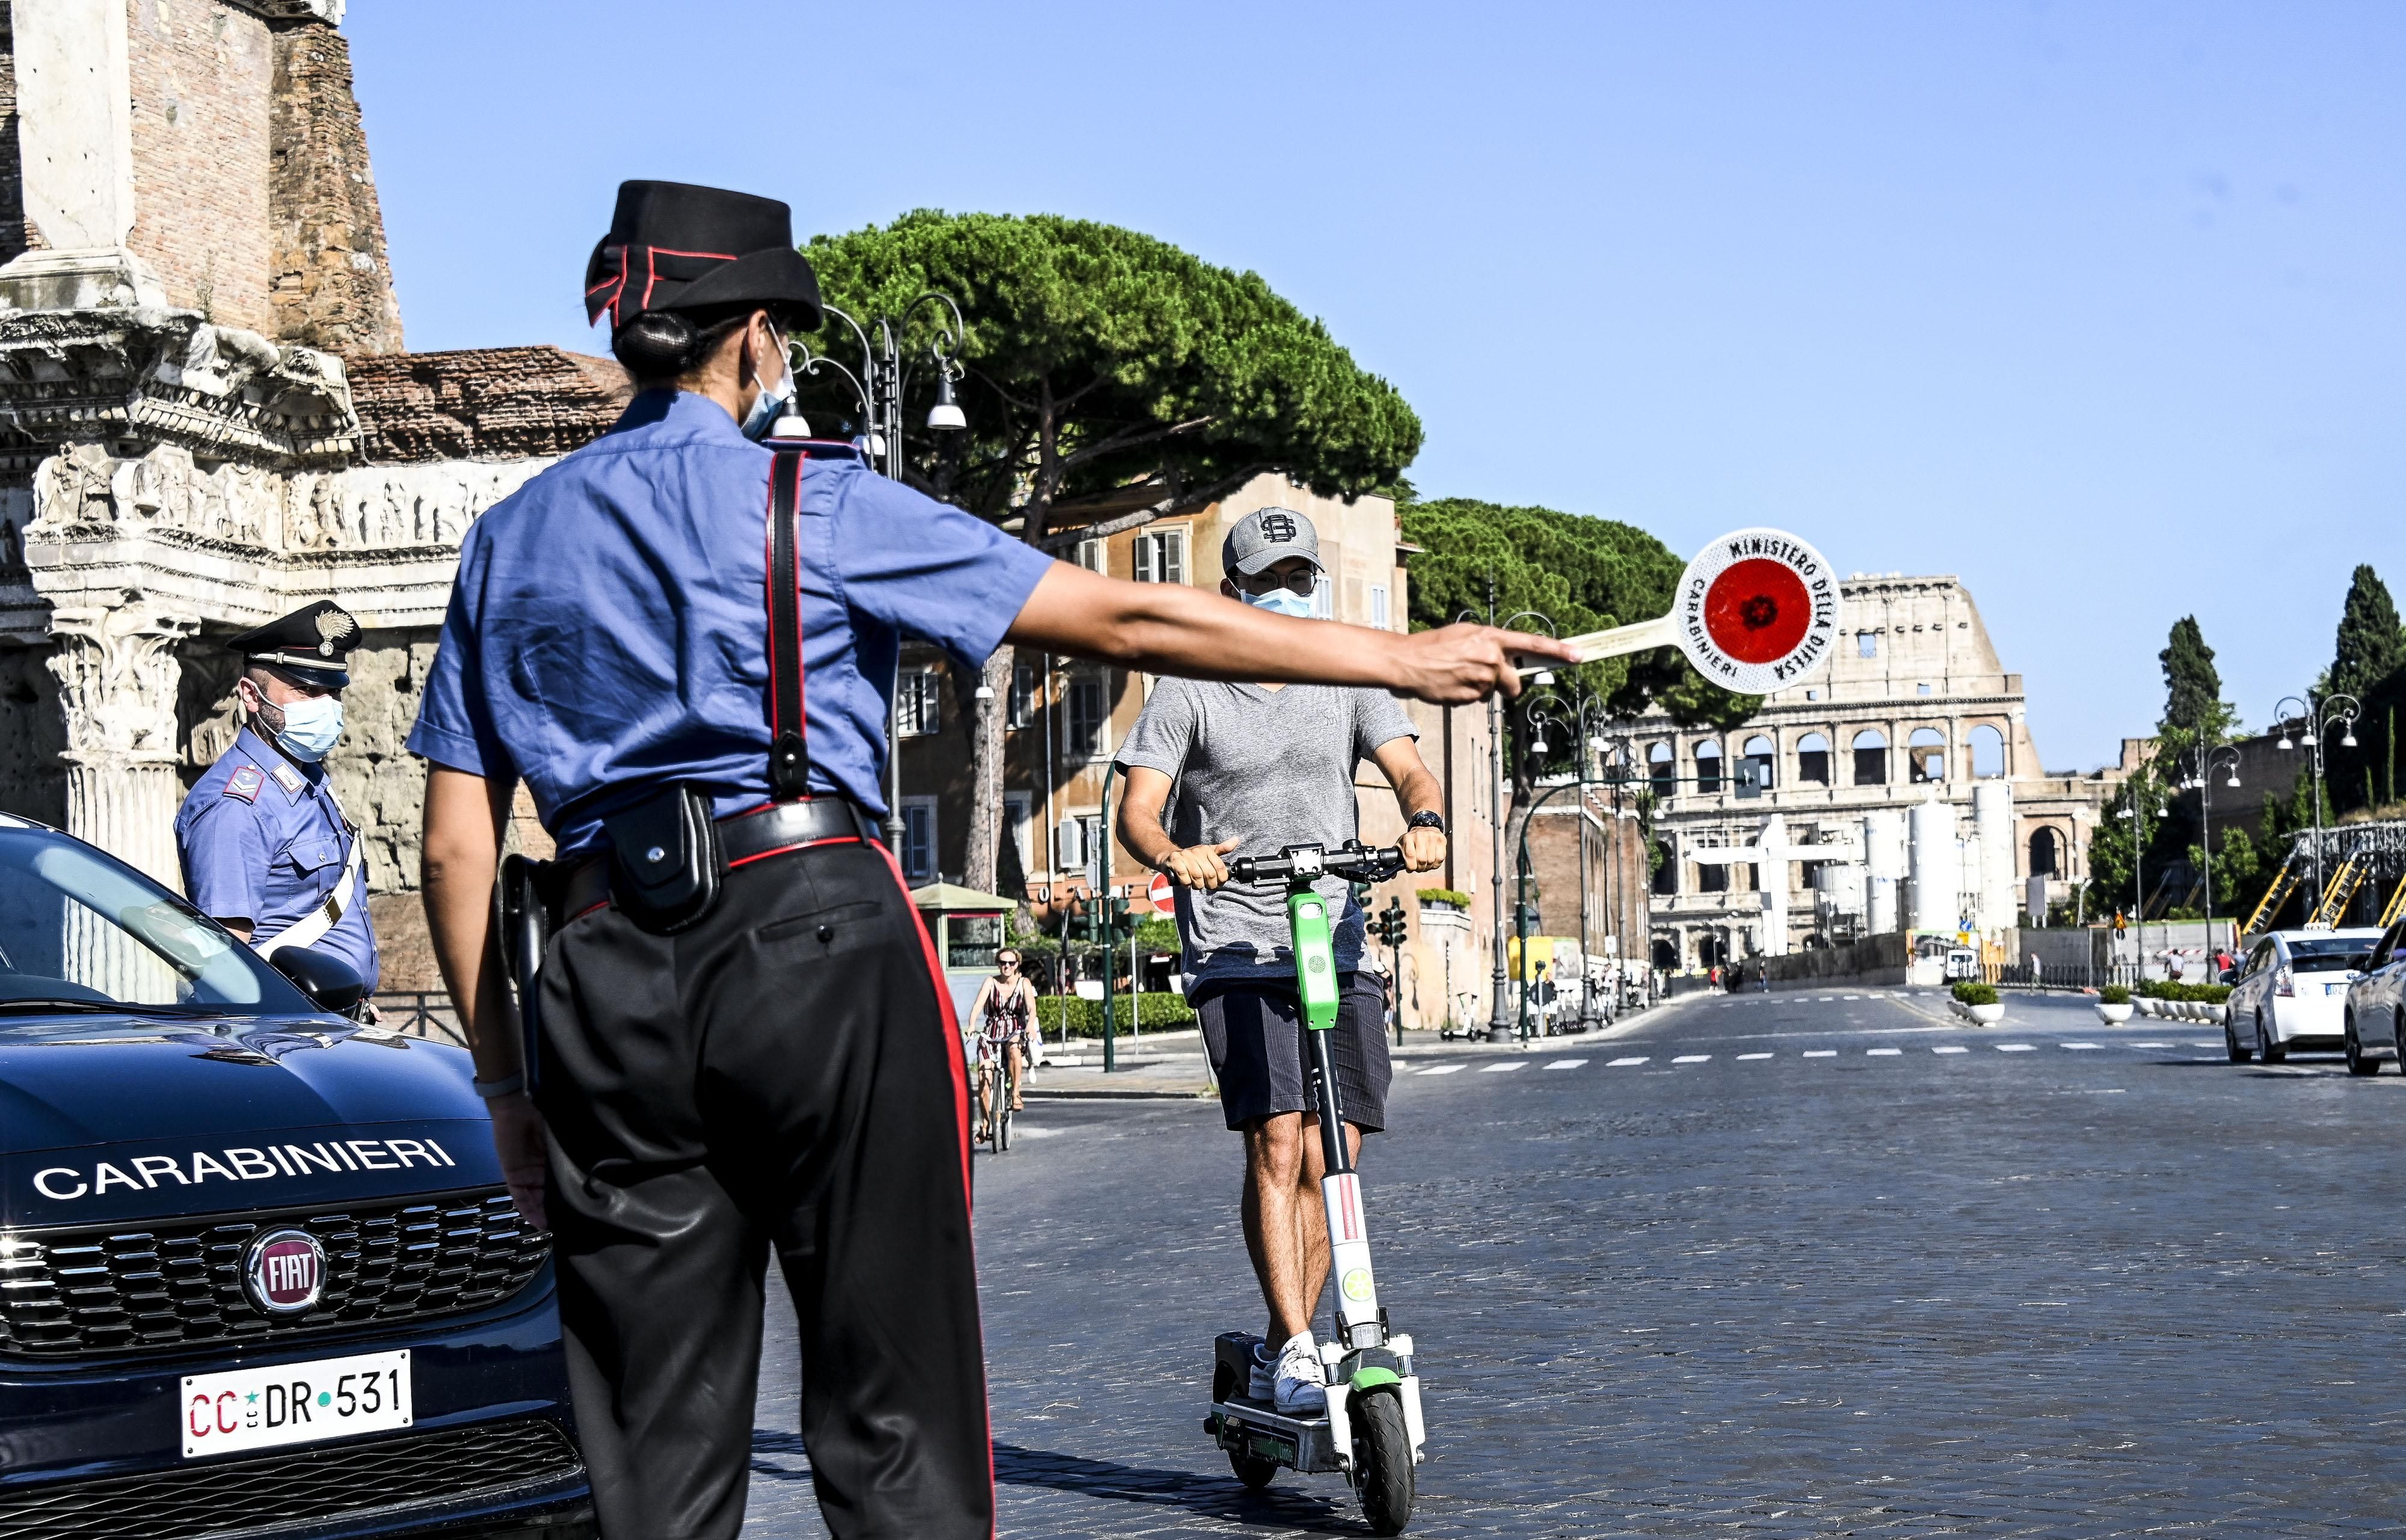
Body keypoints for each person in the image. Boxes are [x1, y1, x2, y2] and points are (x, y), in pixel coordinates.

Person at [407, 181, 1571, 1540]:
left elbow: (454, 838)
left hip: (602, 969)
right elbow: (1129, 614)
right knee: (893, 1415)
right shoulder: (819, 501)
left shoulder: (511, 540)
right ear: (754, 338)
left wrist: (503, 1079)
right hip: (812, 942)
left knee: (651, 1461)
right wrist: (1401, 658)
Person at [1112, 506, 1450, 1417]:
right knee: (1278, 1137)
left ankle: (1279, 1340)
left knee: (1334, 1145)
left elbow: (1409, 766)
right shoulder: (1188, 687)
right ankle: (1301, 1341)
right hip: (1235, 939)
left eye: (1301, 578)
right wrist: (1173, 853)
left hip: (1332, 939)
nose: (1289, 595)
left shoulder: (1343, 670)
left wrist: (1422, 817)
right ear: (1234, 594)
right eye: (1269, 583)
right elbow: (1138, 813)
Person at [174, 600, 378, 999]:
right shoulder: (235, 807)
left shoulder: (310, 780)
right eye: (306, 690)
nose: (328, 707)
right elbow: (224, 963)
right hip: (285, 1034)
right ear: (251, 696)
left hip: (333, 1024)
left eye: (333, 692)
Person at [969, 945, 1039, 1138]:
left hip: (1014, 1029)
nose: (1006, 966)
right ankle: (985, 1125)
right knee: (984, 1080)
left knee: (1015, 1048)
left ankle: (1016, 1093)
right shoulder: (990, 982)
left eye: (1011, 963)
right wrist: (972, 1024)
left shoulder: (1023, 983)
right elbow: (978, 1006)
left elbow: (1031, 1009)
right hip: (991, 1033)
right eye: (1003, 963)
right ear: (998, 964)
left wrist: (1030, 1025)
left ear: (1017, 964)